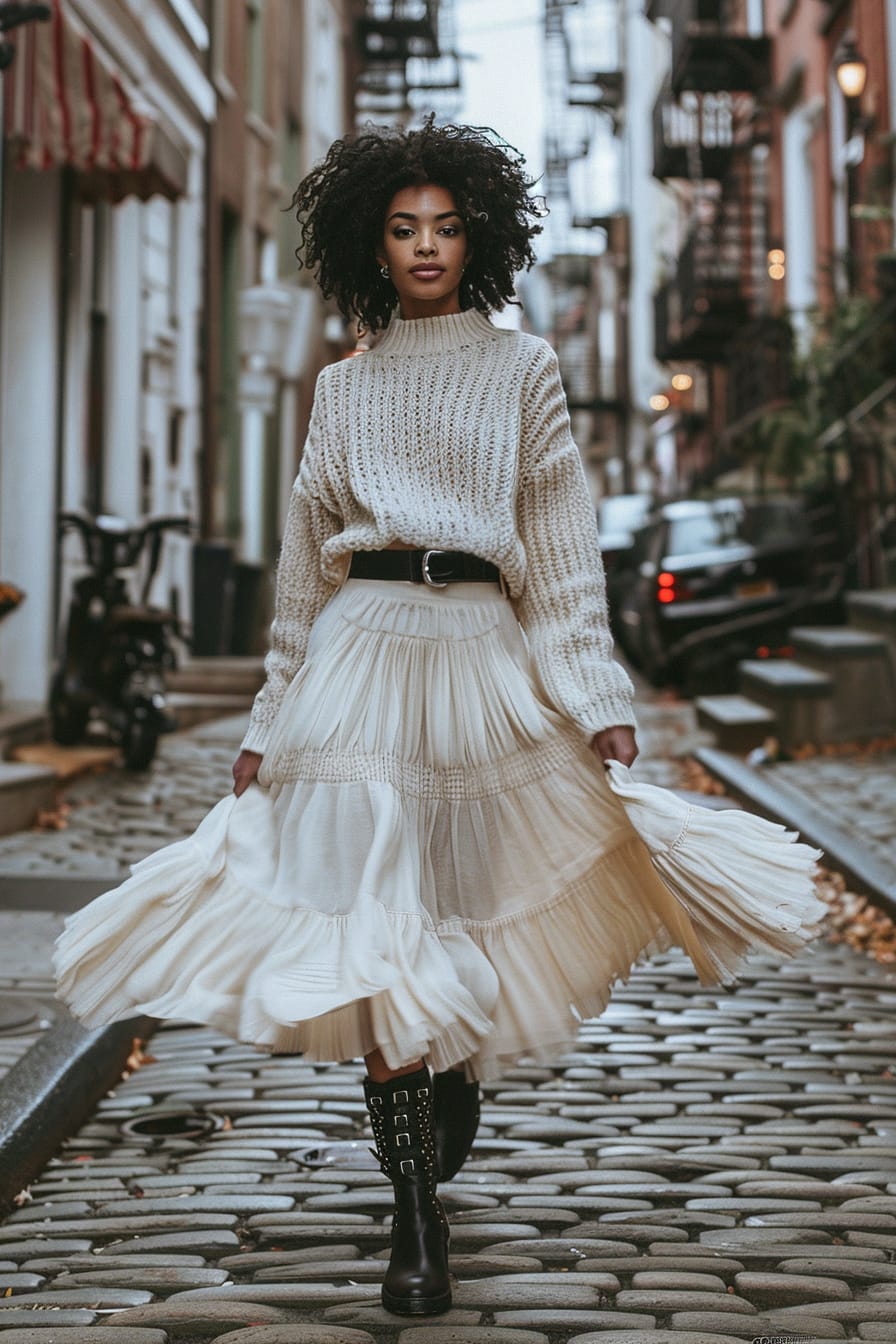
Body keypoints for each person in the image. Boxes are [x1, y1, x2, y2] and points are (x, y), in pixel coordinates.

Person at [54, 119, 823, 1319]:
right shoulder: (341, 387)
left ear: (479, 237)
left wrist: (599, 700)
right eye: (404, 227)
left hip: (479, 647)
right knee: (374, 921)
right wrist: (267, 714)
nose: (425, 246)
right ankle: (415, 1216)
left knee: (457, 898)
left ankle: (447, 1069)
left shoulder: (521, 371)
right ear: (374, 240)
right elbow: (305, 573)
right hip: (357, 654)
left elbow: (562, 559)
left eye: (446, 226)